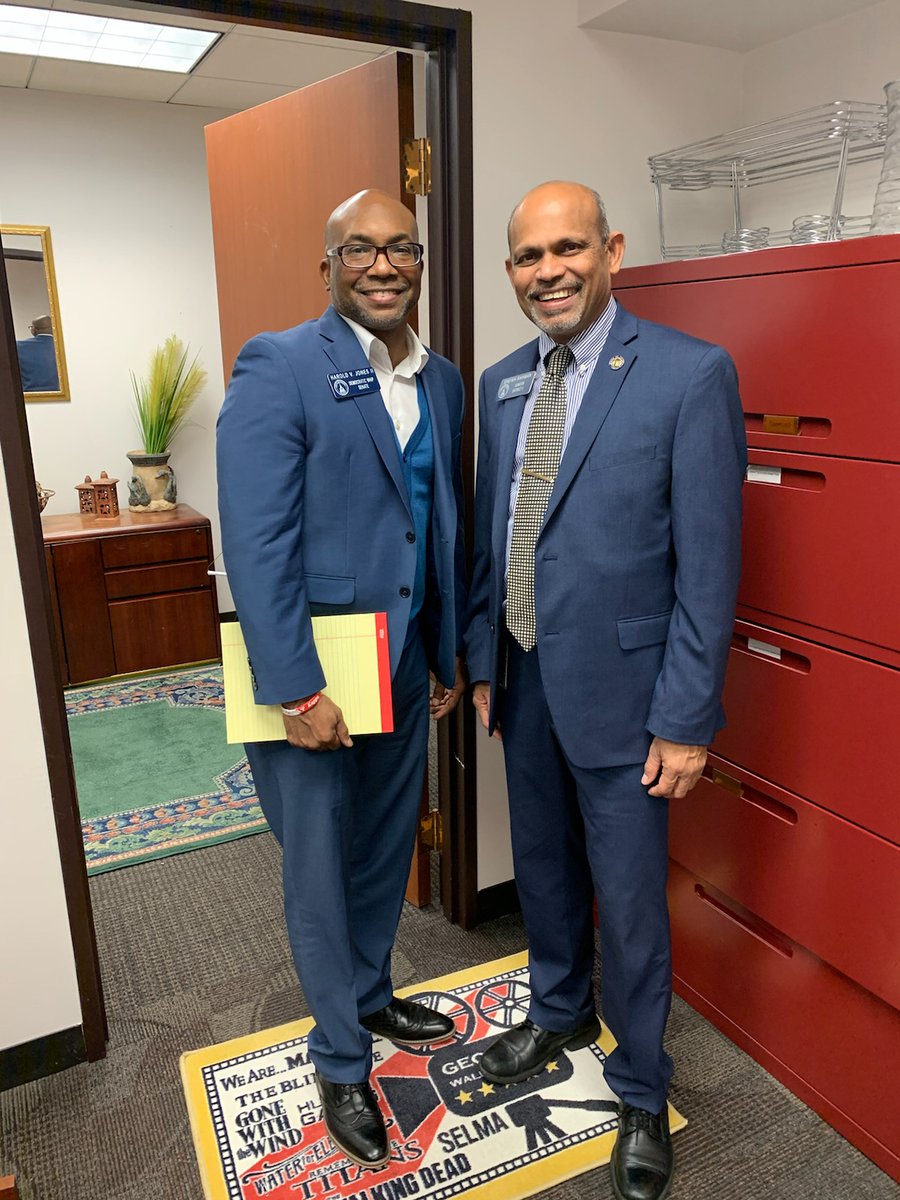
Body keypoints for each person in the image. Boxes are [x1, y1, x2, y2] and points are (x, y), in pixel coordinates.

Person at [464, 181, 746, 1200]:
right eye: (529, 257)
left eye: (568, 249)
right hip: (524, 676)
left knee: (628, 904)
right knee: (542, 868)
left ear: (612, 250)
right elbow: (491, 536)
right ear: (510, 271)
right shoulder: (502, 382)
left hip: (629, 695)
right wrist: (485, 662)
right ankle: (557, 1014)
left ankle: (639, 1086)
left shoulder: (688, 373)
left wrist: (685, 717)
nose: (549, 272)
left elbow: (710, 568)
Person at [217, 189, 467, 1169]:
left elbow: (435, 523)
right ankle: (339, 1059)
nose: (383, 265)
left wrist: (443, 653)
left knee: (382, 850)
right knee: (320, 869)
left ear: (419, 262)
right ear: (327, 266)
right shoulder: (279, 364)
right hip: (314, 674)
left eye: (401, 248)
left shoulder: (440, 380)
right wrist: (295, 687)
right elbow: (257, 541)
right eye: (359, 249)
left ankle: (369, 994)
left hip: (401, 665)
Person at [16, 314, 59, 391]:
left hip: (30, 396)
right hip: (62, 395)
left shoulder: (18, 346)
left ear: (34, 330)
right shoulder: (63, 346)